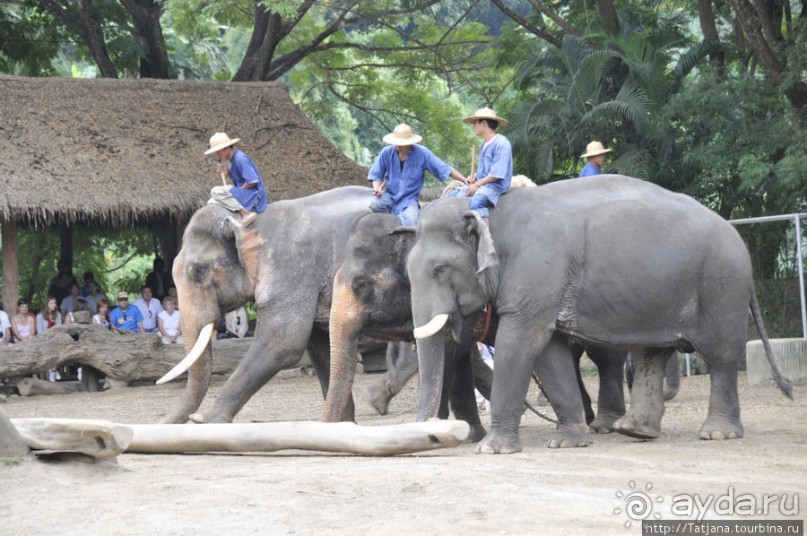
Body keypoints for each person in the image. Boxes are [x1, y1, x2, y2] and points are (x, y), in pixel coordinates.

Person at [368, 124, 467, 227]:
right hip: (389, 194)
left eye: (403, 144)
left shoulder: (422, 153)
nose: (400, 146)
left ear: (410, 143)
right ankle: (388, 223)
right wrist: (377, 188)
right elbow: (376, 174)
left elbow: (445, 169)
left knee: (411, 221)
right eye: (398, 143)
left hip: (409, 199)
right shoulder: (386, 153)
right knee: (375, 205)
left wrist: (464, 180)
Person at [449, 107, 513, 222]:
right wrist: (474, 178)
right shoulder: (484, 144)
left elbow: (496, 174)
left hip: (496, 186)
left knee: (477, 202)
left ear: (484, 123)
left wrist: (477, 184)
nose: (474, 126)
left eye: (475, 123)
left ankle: (485, 237)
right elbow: (484, 171)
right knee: (451, 197)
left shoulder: (502, 143)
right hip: (483, 184)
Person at [205, 132, 268, 227]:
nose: (216, 154)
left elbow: (253, 181)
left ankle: (246, 213)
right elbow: (241, 180)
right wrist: (228, 174)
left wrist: (239, 190)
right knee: (211, 201)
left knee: (215, 191)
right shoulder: (232, 162)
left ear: (226, 148)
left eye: (218, 151)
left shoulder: (240, 159)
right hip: (246, 194)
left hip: (253, 196)